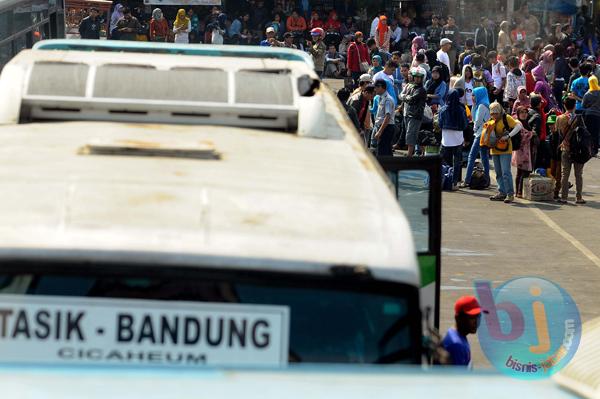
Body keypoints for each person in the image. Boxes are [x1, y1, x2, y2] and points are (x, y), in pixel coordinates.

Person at [487, 101, 523, 203]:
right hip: (494, 149)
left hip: (505, 149)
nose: (494, 115)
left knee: (506, 172)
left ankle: (510, 194)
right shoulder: (491, 120)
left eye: (496, 113)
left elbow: (518, 126)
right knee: (498, 172)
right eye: (492, 113)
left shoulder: (506, 118)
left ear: (499, 111)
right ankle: (501, 192)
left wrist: (508, 136)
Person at [442, 296, 485, 367]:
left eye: (477, 316)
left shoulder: (454, 334)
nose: (476, 321)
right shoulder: (457, 345)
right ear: (458, 318)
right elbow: (459, 377)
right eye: (471, 317)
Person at [557, 98, 586, 204]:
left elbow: (558, 133)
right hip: (578, 150)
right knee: (578, 174)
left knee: (565, 174)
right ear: (574, 106)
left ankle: (564, 197)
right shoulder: (579, 118)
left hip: (565, 148)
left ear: (564, 105)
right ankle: (579, 197)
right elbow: (583, 133)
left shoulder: (560, 118)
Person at [439, 89, 469, 190]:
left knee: (444, 160)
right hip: (457, 138)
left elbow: (439, 124)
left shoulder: (443, 109)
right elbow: (465, 124)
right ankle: (454, 183)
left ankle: (444, 179)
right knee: (457, 161)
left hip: (446, 138)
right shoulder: (461, 110)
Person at [462, 87, 491, 188]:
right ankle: (486, 180)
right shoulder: (483, 104)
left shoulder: (481, 106)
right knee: (484, 157)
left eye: (474, 95)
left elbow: (477, 121)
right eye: (472, 95)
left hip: (480, 134)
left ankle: (467, 180)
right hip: (484, 134)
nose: (472, 97)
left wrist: (474, 128)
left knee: (471, 156)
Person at [399, 67, 427, 157]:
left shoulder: (421, 90)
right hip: (408, 113)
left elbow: (411, 99)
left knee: (410, 135)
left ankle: (409, 156)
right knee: (414, 134)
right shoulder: (410, 86)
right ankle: (423, 153)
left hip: (415, 115)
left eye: (419, 77)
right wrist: (405, 97)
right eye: (416, 76)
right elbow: (400, 95)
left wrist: (405, 96)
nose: (417, 78)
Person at [512, 106, 535, 198]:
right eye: (521, 112)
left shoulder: (527, 123)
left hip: (526, 151)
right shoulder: (518, 124)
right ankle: (519, 191)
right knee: (523, 172)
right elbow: (523, 137)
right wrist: (531, 134)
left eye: (525, 112)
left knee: (521, 172)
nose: (524, 114)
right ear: (518, 114)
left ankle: (518, 191)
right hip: (521, 152)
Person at [373, 79, 396, 156]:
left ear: (381, 87)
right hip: (383, 127)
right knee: (387, 151)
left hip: (386, 128)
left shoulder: (387, 100)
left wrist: (380, 131)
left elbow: (387, 116)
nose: (375, 89)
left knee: (382, 152)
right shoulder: (380, 97)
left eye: (376, 87)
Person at [582, 75, 600, 156]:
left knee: (588, 132)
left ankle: (588, 149)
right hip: (598, 115)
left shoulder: (587, 94)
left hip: (588, 115)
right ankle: (595, 150)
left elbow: (583, 105)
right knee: (596, 133)